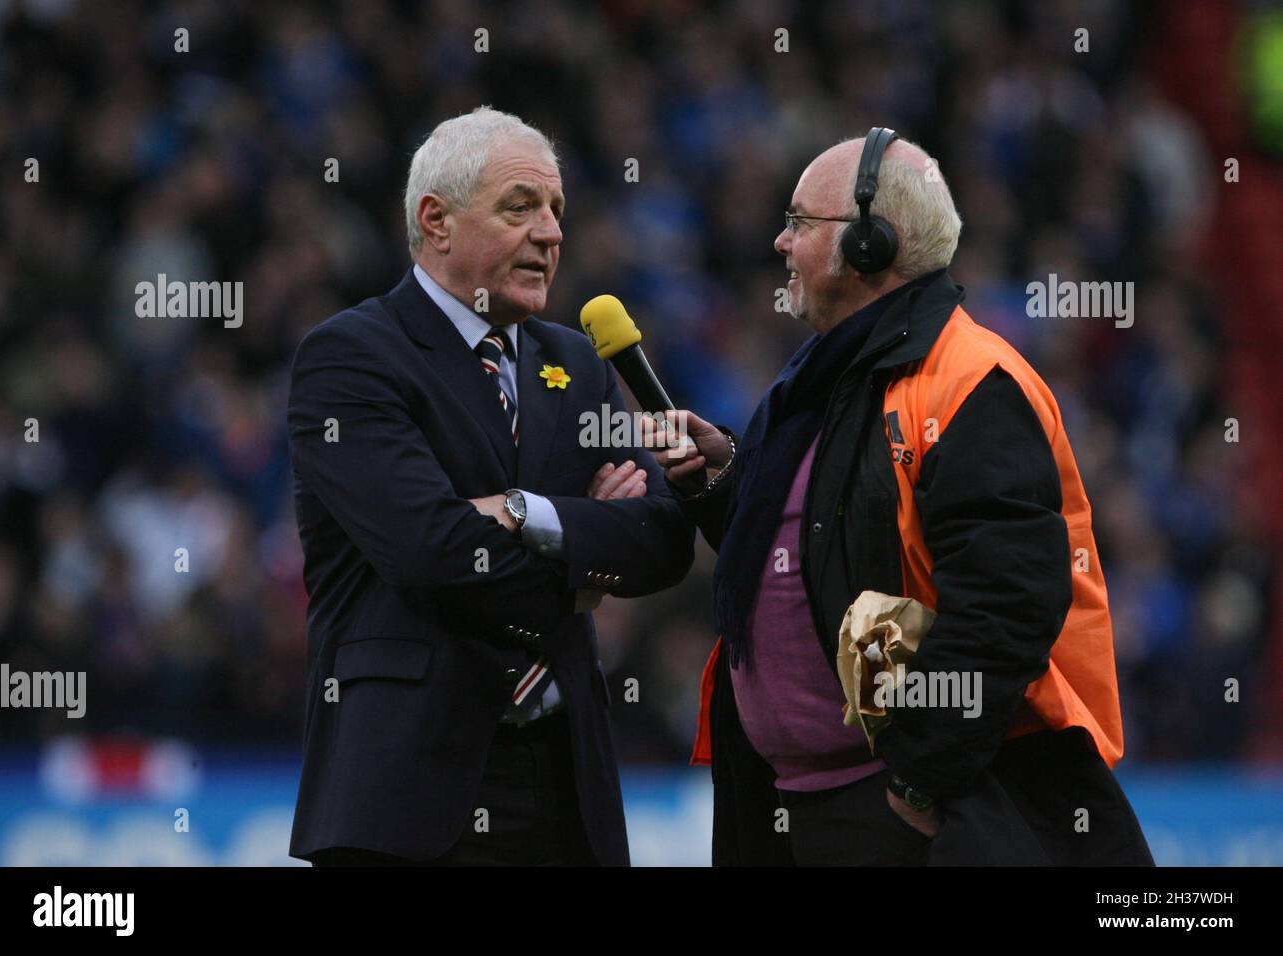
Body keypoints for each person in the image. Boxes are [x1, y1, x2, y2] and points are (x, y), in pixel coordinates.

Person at [642, 128, 1154, 866]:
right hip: (796, 806)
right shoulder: (825, 378)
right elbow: (817, 557)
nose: (780, 244)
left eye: (799, 222)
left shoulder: (970, 381)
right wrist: (727, 484)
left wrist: (917, 785)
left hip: (912, 813)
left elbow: (1007, 608)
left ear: (871, 243)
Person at [286, 107, 694, 866]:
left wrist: (521, 513)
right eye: (521, 207)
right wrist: (581, 563)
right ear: (436, 221)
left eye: (557, 211)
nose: (551, 233)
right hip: (406, 793)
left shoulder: (576, 363)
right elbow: (431, 552)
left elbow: (664, 540)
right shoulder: (350, 357)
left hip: (566, 786)